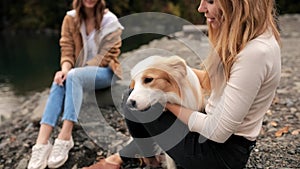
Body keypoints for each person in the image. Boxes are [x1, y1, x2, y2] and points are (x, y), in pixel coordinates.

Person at [83, 0, 281, 168]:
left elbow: (217, 131)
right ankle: (135, 154)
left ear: (238, 5)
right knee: (140, 93)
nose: (201, 8)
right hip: (220, 140)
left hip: (218, 155)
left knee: (134, 100)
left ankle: (141, 156)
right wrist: (168, 69)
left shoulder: (255, 53)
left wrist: (167, 104)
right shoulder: (254, 41)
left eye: (210, 1)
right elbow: (221, 83)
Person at [27, 0, 124, 168]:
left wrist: (76, 73)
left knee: (72, 76)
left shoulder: (110, 20)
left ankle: (65, 136)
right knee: (59, 80)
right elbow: (67, 49)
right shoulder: (70, 19)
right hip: (77, 74)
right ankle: (41, 143)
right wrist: (65, 70)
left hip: (105, 72)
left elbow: (107, 55)